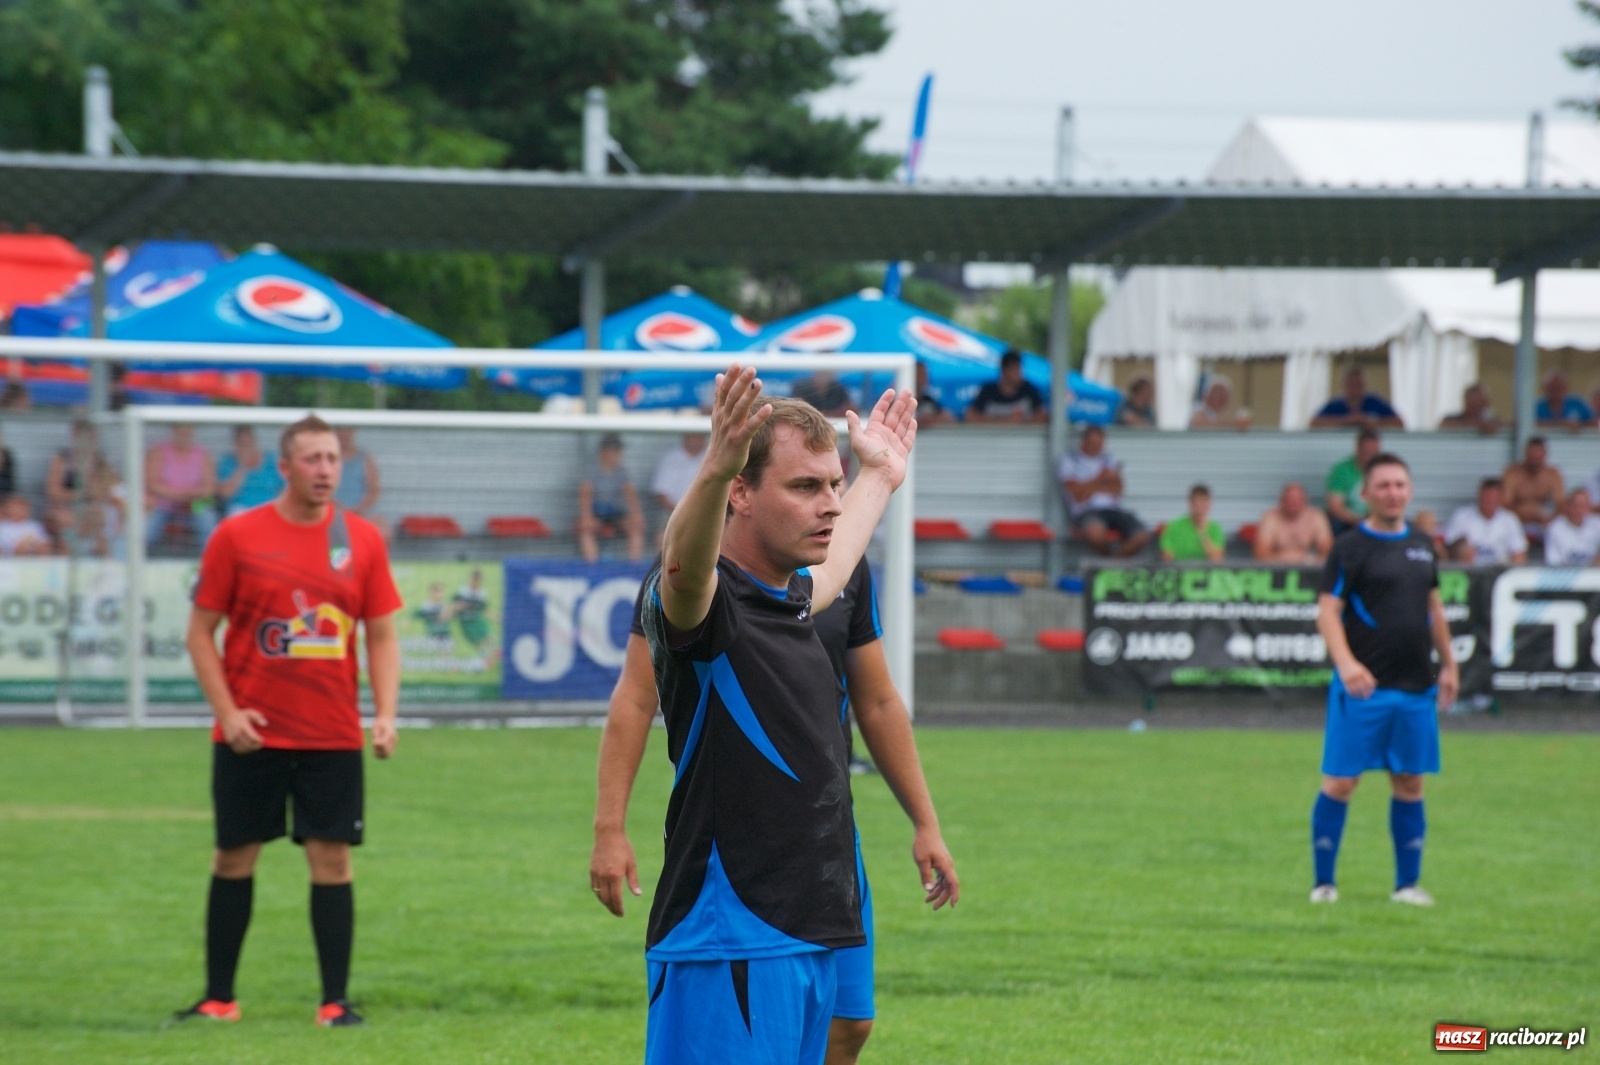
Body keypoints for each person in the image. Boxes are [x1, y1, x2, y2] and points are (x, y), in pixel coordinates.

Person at [632, 365, 925, 1064]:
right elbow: (682, 570)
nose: (830, 505)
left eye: (833, 485)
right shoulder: (708, 610)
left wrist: (878, 477)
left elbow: (835, 566)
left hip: (803, 933)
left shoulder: (788, 598)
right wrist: (714, 467)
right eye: (804, 487)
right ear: (740, 492)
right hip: (729, 941)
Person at [592, 558, 958, 1065]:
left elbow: (877, 700)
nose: (830, 513)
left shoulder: (846, 567)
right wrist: (610, 828)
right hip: (741, 855)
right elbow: (635, 697)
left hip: (829, 841)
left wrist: (926, 823)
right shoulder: (693, 570)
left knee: (849, 1020)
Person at [176, 414, 401, 1028]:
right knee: (233, 859)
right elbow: (199, 633)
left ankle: (335, 1003)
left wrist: (385, 714)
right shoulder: (236, 536)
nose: (325, 469)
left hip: (331, 735)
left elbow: (381, 636)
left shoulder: (362, 540)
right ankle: (218, 999)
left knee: (333, 863)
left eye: (332, 459)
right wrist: (227, 713)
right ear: (284, 467)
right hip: (251, 735)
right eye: (312, 459)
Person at [1310, 451, 1458, 907]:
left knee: (1410, 782)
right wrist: (1346, 664)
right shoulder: (1349, 547)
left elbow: (1434, 608)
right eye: (1383, 485)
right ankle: (1324, 884)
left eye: (1400, 485)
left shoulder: (1423, 544)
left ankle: (1406, 886)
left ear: (1409, 491)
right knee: (1341, 782)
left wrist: (1449, 664)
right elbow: (1327, 613)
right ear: (1366, 493)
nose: (1393, 493)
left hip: (1416, 687)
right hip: (1363, 689)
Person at [1058, 425, 1152, 557]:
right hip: (1086, 511)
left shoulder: (1108, 458)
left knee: (1143, 535)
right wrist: (1101, 479)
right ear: (1083, 442)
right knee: (1095, 534)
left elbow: (1118, 489)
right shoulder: (1070, 460)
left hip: (1113, 510)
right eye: (1094, 443)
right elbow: (1076, 494)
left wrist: (1088, 487)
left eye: (1100, 444)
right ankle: (1110, 561)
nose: (1098, 447)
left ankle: (1112, 563)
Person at [145, 423, 218, 547]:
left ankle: (210, 556)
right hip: (163, 504)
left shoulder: (202, 454)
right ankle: (138, 556)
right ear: (173, 431)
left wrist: (191, 495)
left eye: (188, 431)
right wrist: (177, 495)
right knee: (146, 527)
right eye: (181, 431)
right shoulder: (159, 451)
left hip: (193, 504)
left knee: (208, 519)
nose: (184, 435)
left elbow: (209, 488)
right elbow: (151, 483)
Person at [577, 433, 645, 563]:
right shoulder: (591, 470)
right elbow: (585, 494)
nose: (619, 454)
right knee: (585, 531)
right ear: (605, 451)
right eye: (615, 450)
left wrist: (637, 514)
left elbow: (630, 494)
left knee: (635, 528)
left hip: (614, 514)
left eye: (619, 450)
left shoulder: (622, 471)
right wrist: (586, 517)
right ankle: (592, 567)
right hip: (595, 513)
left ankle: (634, 568)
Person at [1442, 479, 1528, 565]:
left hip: (1500, 569)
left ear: (1500, 498)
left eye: (1494, 497)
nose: (1489, 500)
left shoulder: (1509, 519)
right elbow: (1450, 549)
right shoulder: (1462, 516)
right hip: (1469, 569)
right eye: (1487, 496)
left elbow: (1519, 553)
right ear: (1479, 495)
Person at [1501, 436, 1564, 541]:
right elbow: (1505, 504)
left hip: (1543, 524)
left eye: (1538, 459)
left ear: (1545, 455)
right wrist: (1522, 518)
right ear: (1526, 454)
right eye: (1532, 458)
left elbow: (1561, 504)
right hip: (1517, 522)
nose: (1535, 463)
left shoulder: (1552, 475)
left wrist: (1551, 519)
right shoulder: (1513, 473)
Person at [1254, 482, 1334, 564]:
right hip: (1277, 568)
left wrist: (1311, 560)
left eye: (1297, 499)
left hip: (1308, 567)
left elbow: (1328, 549)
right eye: (1290, 499)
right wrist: (1284, 559)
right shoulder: (1270, 518)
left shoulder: (1316, 517)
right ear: (1281, 501)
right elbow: (1260, 553)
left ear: (1305, 500)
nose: (1293, 503)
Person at [332, 427, 390, 539]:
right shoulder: (328, 459)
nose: (343, 434)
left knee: (384, 531)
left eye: (347, 430)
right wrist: (340, 509)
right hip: (334, 512)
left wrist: (359, 508)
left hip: (362, 512)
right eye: (340, 430)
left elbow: (374, 489)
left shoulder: (365, 459)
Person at [217, 426, 286, 518]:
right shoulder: (228, 462)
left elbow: (285, 488)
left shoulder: (270, 460)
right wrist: (242, 468)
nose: (246, 449)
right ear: (235, 445)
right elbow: (225, 493)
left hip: (268, 506)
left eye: (248, 443)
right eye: (242, 445)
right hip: (240, 507)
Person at [1324, 429, 1382, 534]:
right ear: (1357, 448)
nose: (1369, 454)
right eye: (1366, 450)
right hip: (1345, 521)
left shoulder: (1383, 471)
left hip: (1374, 519)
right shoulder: (1341, 470)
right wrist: (1356, 521)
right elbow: (1335, 506)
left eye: (1373, 451)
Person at [966, 349, 1046, 424]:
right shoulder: (988, 392)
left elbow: (1042, 416)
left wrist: (1024, 422)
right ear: (1005, 371)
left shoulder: (1028, 390)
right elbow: (970, 417)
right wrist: (1005, 421)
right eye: (1015, 370)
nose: (1019, 375)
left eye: (1020, 370)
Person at [1310, 366, 1404, 430]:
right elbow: (1314, 423)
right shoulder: (1335, 405)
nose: (1356, 389)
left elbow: (1399, 423)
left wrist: (1371, 423)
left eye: (1359, 384)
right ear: (1344, 385)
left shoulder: (1375, 402)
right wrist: (1346, 421)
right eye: (1352, 384)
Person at [649, 432, 707, 531]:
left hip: (705, 514)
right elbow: (661, 493)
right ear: (686, 436)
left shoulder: (710, 458)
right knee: (662, 535)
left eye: (701, 436)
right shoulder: (670, 458)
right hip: (672, 512)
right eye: (695, 435)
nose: (699, 439)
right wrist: (679, 512)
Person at [1159, 484, 1226, 562]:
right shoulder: (1174, 526)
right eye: (1197, 501)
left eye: (1204, 502)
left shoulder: (1215, 528)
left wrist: (1202, 532)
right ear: (1190, 503)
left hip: (1206, 569)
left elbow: (1217, 559)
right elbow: (1166, 557)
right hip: (1180, 568)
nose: (1200, 506)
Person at [1543, 488, 1600, 566]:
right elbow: (1553, 563)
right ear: (1567, 505)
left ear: (1589, 507)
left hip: (1594, 571)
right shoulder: (1554, 528)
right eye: (1576, 505)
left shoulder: (1597, 524)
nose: (1579, 510)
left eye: (1583, 505)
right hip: (1565, 572)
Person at [1437, 383, 1501, 435]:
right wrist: (1477, 425)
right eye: (1479, 401)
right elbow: (1443, 425)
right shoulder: (1453, 421)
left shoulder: (1492, 420)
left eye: (1485, 401)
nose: (1483, 406)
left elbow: (1503, 427)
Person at [913, 361, 955, 426]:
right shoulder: (899, 398)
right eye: (920, 374)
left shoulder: (929, 401)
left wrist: (929, 419)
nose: (923, 378)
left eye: (925, 374)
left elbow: (949, 418)